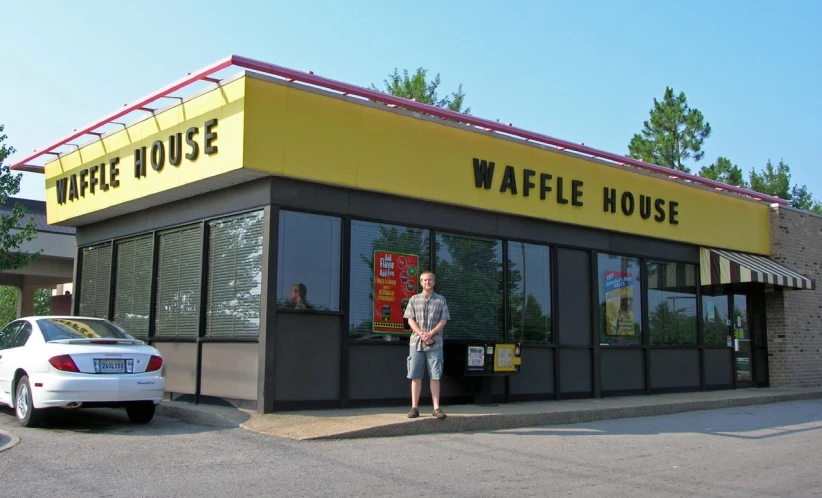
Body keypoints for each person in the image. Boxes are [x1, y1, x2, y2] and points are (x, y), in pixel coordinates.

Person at [403, 270, 450, 420]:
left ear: (434, 282)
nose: (427, 282)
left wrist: (431, 333)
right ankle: (414, 408)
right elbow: (410, 320)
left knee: (435, 375)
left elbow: (444, 320)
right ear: (420, 282)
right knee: (415, 375)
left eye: (430, 280)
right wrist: (422, 334)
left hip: (435, 344)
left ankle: (436, 408)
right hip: (416, 343)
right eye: (424, 280)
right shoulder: (414, 299)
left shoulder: (441, 300)